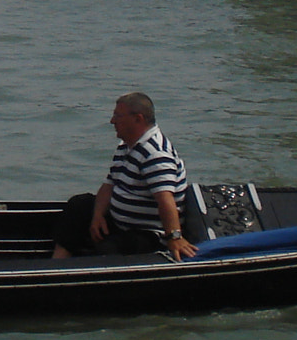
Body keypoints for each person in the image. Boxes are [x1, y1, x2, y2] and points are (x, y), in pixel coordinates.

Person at [51, 91, 197, 262]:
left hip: (148, 233)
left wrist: (174, 237)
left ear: (138, 119)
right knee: (79, 205)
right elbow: (109, 184)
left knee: (110, 250)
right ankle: (58, 262)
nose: (112, 121)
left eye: (117, 116)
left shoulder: (155, 154)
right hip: (121, 222)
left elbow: (166, 200)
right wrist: (98, 216)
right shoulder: (126, 146)